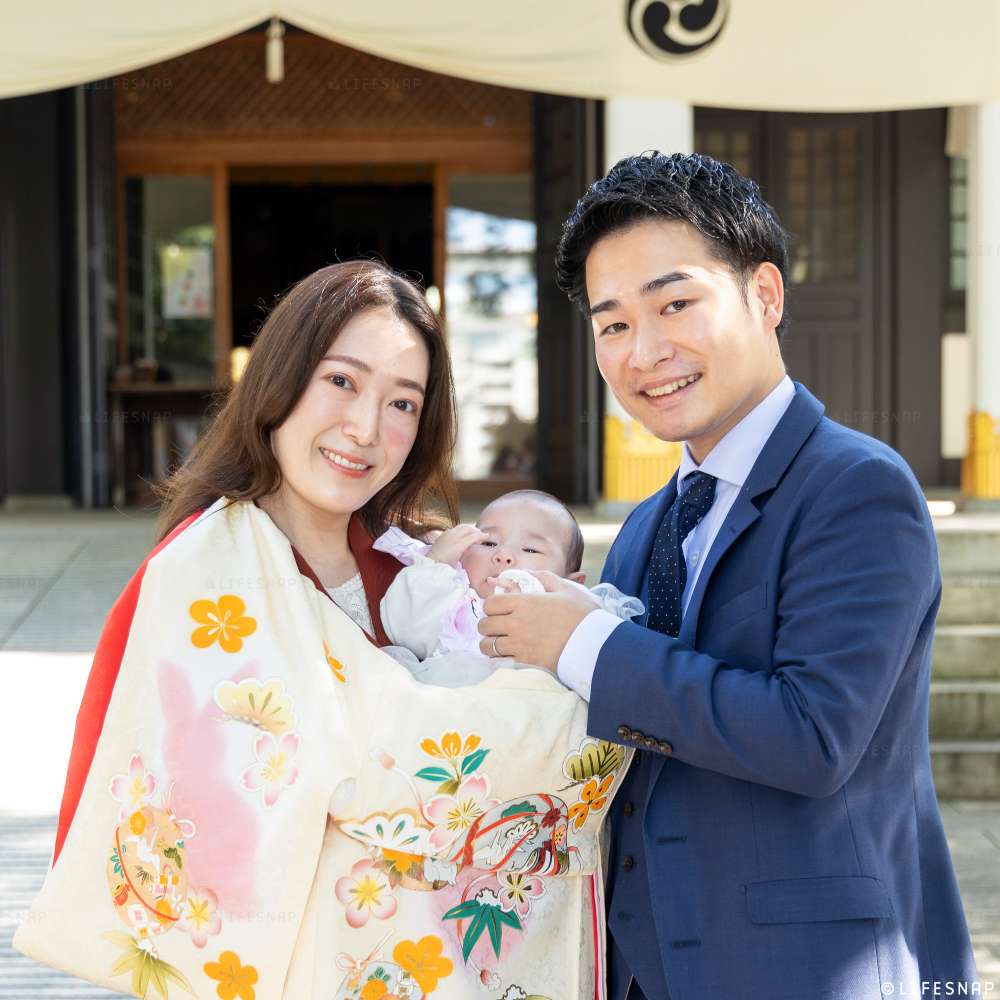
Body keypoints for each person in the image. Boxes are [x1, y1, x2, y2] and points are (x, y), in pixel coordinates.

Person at [17, 260, 630, 1000]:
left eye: (403, 403)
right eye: (341, 381)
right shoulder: (211, 570)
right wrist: (592, 693)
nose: (366, 428)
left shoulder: (415, 564)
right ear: (280, 379)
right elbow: (382, 755)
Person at [477, 152, 980, 999]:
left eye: (676, 303)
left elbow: (814, 735)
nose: (647, 351)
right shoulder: (643, 528)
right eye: (613, 325)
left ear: (766, 296)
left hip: (807, 970)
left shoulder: (858, 488)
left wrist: (586, 644)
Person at [373, 488, 644, 685]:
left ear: (570, 585)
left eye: (530, 549)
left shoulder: (572, 618)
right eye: (488, 543)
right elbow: (404, 629)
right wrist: (435, 565)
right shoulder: (451, 602)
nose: (503, 555)